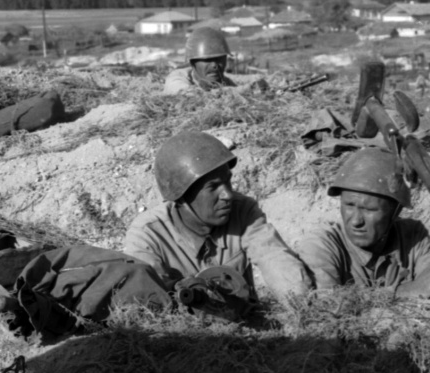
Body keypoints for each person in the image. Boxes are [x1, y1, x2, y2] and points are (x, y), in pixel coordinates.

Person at [124, 131, 312, 305]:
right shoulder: (148, 234)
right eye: (213, 187)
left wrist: (300, 305)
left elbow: (274, 258)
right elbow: (146, 296)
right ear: (182, 196)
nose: (227, 195)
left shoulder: (243, 211)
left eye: (228, 181)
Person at [296, 147, 430, 298]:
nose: (356, 221)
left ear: (395, 212)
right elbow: (325, 309)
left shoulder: (413, 236)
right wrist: (402, 292)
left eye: (369, 209)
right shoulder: (321, 245)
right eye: (349, 205)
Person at [163, 27, 237, 94]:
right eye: (208, 60)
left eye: (219, 59)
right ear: (192, 63)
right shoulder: (176, 79)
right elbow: (187, 94)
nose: (214, 65)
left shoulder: (225, 82)